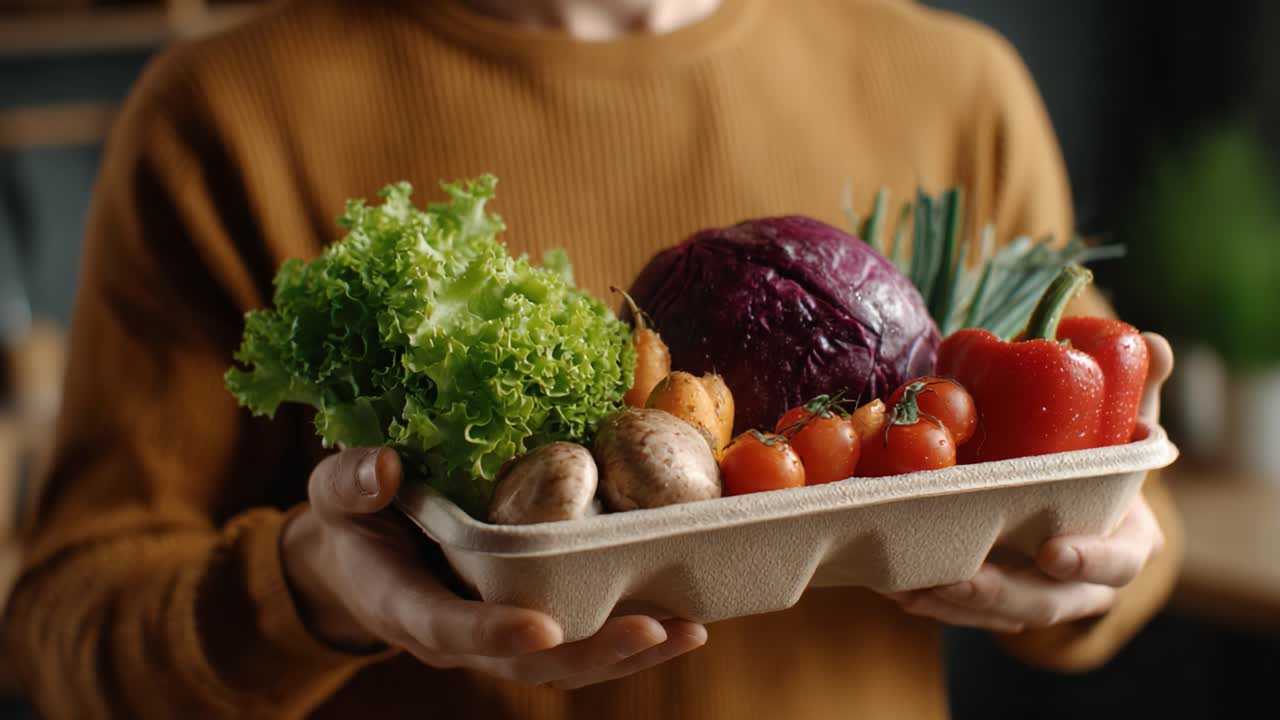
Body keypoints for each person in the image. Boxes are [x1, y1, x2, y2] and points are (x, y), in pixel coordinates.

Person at [4, 0, 1182, 717]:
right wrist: (307, 591)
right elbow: (65, 637)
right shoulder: (224, 113)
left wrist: (1090, 560)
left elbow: (1111, 494)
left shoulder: (956, 87)